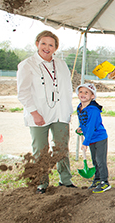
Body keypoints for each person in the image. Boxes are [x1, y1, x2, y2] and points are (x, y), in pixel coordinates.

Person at [17, 30, 74, 194]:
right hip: (38, 114)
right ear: (37, 44)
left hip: (60, 113)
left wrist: (67, 110)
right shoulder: (27, 65)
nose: (47, 47)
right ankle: (42, 183)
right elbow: (23, 92)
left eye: (51, 44)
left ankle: (66, 180)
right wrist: (34, 113)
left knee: (61, 147)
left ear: (55, 48)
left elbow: (66, 88)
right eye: (43, 43)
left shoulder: (61, 64)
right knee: (40, 149)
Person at [76, 83, 110, 193]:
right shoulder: (80, 108)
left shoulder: (93, 110)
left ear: (92, 96)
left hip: (99, 138)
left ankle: (105, 182)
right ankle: (97, 179)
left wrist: (86, 142)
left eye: (87, 92)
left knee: (100, 160)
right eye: (81, 91)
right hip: (91, 138)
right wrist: (81, 128)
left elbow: (91, 126)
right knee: (95, 160)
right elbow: (85, 122)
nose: (83, 94)